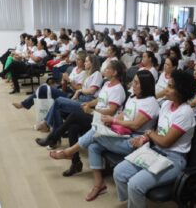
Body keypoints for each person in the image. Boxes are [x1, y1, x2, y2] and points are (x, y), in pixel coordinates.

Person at [49, 70, 160, 202]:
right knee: (93, 146)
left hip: (136, 142)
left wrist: (113, 121)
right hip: (123, 134)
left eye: (136, 83)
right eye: (133, 81)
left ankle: (69, 152)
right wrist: (110, 122)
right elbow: (123, 114)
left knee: (96, 134)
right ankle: (99, 184)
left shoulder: (150, 102)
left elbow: (136, 125)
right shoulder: (134, 97)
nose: (132, 84)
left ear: (145, 86)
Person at [113, 70, 196, 208]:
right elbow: (160, 131)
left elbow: (165, 141)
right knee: (119, 172)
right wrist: (144, 138)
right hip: (156, 150)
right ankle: (133, 202)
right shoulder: (166, 104)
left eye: (170, 87)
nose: (166, 89)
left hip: (174, 159)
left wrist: (150, 134)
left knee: (135, 184)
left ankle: (134, 201)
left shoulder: (185, 112)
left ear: (181, 91)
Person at [36, 55, 103, 132]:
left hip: (87, 102)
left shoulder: (97, 74)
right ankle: (55, 134)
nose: (84, 63)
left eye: (87, 61)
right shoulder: (89, 74)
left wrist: (79, 90)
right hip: (80, 99)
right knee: (57, 107)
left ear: (92, 63)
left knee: (58, 101)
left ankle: (47, 125)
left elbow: (92, 91)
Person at [12, 51, 87, 110]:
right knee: (43, 90)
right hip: (65, 90)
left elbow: (79, 89)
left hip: (72, 95)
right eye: (76, 59)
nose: (76, 61)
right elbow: (65, 86)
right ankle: (42, 115)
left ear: (84, 62)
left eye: (79, 59)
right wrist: (64, 81)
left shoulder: (84, 73)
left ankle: (24, 104)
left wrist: (68, 81)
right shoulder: (75, 69)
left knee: (43, 88)